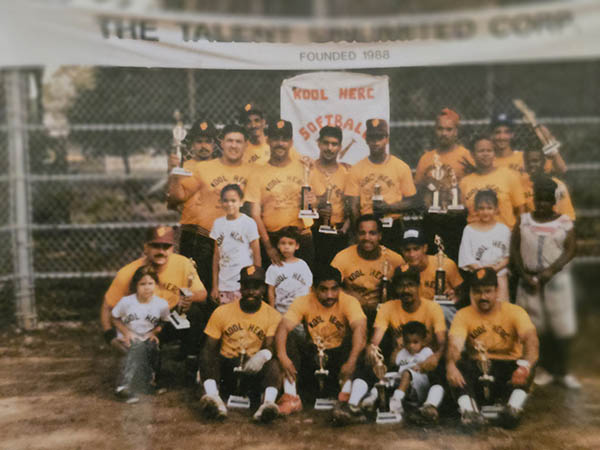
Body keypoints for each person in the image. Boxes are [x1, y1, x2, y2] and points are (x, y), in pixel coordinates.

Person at [335, 266, 446, 425]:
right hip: (399, 360)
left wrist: (435, 357)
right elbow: (376, 340)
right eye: (401, 286)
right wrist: (372, 351)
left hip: (425, 361)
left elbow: (442, 342)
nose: (405, 290)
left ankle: (430, 408)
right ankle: (353, 405)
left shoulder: (432, 307)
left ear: (418, 286)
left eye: (410, 285)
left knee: (443, 367)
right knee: (368, 362)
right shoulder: (388, 307)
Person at [100, 226, 208, 372]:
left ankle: (191, 360)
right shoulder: (129, 272)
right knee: (145, 376)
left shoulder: (182, 264)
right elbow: (108, 305)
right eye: (155, 246)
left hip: (171, 319)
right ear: (146, 248)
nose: (161, 251)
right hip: (144, 321)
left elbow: (202, 294)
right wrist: (110, 336)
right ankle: (147, 362)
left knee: (195, 312)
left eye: (166, 246)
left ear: (172, 248)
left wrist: (189, 298)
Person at [446, 268, 539, 429]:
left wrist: (525, 367)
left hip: (509, 371)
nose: (483, 297)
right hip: (477, 370)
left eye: (488, 291)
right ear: (471, 292)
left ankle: (513, 408)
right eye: (477, 292)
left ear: (497, 291)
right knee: (457, 364)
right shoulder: (463, 314)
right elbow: (455, 345)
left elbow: (531, 340)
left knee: (529, 363)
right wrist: (450, 365)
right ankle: (468, 411)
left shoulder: (515, 312)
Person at [167, 124, 253, 294]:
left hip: (234, 238)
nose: (233, 146)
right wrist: (174, 175)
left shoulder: (251, 170)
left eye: (238, 141)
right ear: (222, 143)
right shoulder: (203, 168)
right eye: (229, 141)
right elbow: (178, 197)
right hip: (204, 236)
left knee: (232, 286)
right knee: (200, 286)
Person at [511, 176, 579, 389]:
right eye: (538, 200)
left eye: (547, 200)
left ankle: (563, 372)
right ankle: (539, 369)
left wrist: (550, 271)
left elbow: (570, 250)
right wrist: (523, 275)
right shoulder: (523, 221)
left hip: (555, 279)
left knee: (561, 328)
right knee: (534, 328)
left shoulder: (564, 222)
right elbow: (514, 250)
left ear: (554, 201)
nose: (542, 205)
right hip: (529, 280)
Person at [275, 265, 367, 415]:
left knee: (358, 338)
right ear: (313, 288)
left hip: (339, 356)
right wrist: (282, 356)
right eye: (323, 289)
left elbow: (360, 328)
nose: (329, 295)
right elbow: (283, 327)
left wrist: (351, 362)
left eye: (334, 289)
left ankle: (346, 396)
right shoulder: (303, 301)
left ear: (340, 288)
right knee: (288, 338)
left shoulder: (349, 301)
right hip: (314, 355)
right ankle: (291, 397)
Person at [199, 265, 283, 423]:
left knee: (273, 363)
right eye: (246, 287)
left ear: (263, 289)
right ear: (240, 288)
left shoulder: (272, 315)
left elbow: (270, 345)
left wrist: (263, 355)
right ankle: (213, 398)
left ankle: (268, 404)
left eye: (256, 287)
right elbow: (209, 347)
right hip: (227, 367)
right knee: (207, 354)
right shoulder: (222, 311)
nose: (251, 292)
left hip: (253, 368)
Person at [247, 119, 316, 268]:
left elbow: (317, 203)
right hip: (273, 238)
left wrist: (314, 201)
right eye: (276, 138)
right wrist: (268, 247)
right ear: (268, 140)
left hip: (301, 237)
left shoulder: (304, 168)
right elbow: (255, 214)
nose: (280, 143)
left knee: (303, 287)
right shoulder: (257, 172)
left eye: (284, 139)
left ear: (291, 142)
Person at [345, 119, 417, 253]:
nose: (376, 142)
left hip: (392, 225)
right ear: (366, 140)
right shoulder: (356, 169)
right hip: (367, 226)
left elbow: (412, 202)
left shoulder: (401, 167)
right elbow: (353, 207)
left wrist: (389, 207)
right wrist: (358, 231)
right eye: (372, 137)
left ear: (387, 139)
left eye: (380, 137)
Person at [415, 108, 473, 261]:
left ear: (456, 131)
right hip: (432, 220)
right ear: (435, 130)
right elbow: (417, 190)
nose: (444, 133)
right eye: (440, 129)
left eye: (449, 129)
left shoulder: (466, 156)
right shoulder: (426, 158)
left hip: (457, 219)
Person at [330, 214, 405, 328]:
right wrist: (351, 296)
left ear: (380, 236)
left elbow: (406, 288)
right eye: (362, 233)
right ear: (356, 235)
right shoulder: (342, 257)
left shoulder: (395, 259)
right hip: (352, 314)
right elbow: (329, 286)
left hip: (384, 315)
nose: (367, 238)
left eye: (372, 233)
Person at [112, 265, 170, 403]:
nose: (147, 287)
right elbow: (114, 318)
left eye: (151, 283)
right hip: (128, 335)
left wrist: (155, 332)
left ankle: (149, 383)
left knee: (153, 347)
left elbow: (164, 322)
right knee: (134, 348)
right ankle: (123, 387)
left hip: (146, 335)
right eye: (142, 284)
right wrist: (126, 333)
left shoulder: (161, 304)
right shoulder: (127, 302)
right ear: (135, 285)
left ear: (156, 285)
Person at [459, 135, 526, 229]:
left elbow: (521, 209)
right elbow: (463, 213)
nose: (485, 154)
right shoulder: (465, 182)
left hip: (505, 236)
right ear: (472, 154)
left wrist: (516, 234)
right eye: (481, 151)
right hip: (476, 236)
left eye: (489, 150)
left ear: (494, 153)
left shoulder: (509, 175)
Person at [210, 184, 261, 305]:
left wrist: (257, 284)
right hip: (224, 284)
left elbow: (257, 256)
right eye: (226, 201)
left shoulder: (248, 223)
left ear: (241, 202)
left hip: (244, 284)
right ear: (221, 202)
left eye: (233, 201)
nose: (229, 204)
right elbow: (216, 257)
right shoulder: (218, 224)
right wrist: (215, 286)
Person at [400, 227, 463, 324]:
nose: (412, 254)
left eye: (416, 249)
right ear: (402, 251)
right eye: (407, 250)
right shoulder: (401, 271)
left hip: (442, 313)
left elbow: (463, 293)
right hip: (416, 315)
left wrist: (456, 296)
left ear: (425, 248)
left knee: (443, 311)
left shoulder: (446, 264)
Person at [458, 190, 511, 302]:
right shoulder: (469, 230)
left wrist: (494, 269)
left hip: (499, 278)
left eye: (489, 208)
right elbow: (466, 258)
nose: (485, 212)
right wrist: (483, 272)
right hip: (478, 278)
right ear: (475, 210)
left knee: (500, 311)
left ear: (496, 209)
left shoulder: (504, 230)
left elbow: (508, 257)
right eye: (481, 208)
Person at [311, 126, 351, 264]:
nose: (329, 148)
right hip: (313, 232)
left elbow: (353, 207)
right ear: (318, 143)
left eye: (334, 144)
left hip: (338, 232)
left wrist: (345, 229)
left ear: (340, 146)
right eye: (326, 143)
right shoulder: (308, 171)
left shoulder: (347, 173)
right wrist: (316, 207)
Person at [490, 112, 567, 176]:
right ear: (491, 135)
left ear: (512, 134)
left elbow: (561, 170)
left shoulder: (525, 157)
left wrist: (553, 150)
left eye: (507, 132)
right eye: (497, 132)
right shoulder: (486, 161)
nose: (502, 137)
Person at [387, 321, 435, 420]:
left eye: (415, 342)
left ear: (423, 341)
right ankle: (373, 400)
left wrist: (422, 366)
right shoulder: (402, 353)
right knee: (387, 378)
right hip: (404, 384)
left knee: (407, 373)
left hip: (420, 384)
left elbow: (431, 367)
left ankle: (397, 399)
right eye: (407, 342)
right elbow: (393, 363)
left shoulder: (426, 352)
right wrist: (397, 347)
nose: (411, 346)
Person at [266, 226, 313, 314]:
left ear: (297, 246)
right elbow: (271, 291)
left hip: (299, 313)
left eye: (290, 243)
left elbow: (309, 287)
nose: (286, 247)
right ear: (278, 245)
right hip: (281, 312)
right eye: (283, 243)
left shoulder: (302, 265)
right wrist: (272, 311)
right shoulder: (274, 267)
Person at [521, 146, 575, 220]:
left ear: (543, 162)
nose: (531, 164)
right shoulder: (520, 184)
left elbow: (567, 217)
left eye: (535, 161)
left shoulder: (557, 186)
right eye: (528, 161)